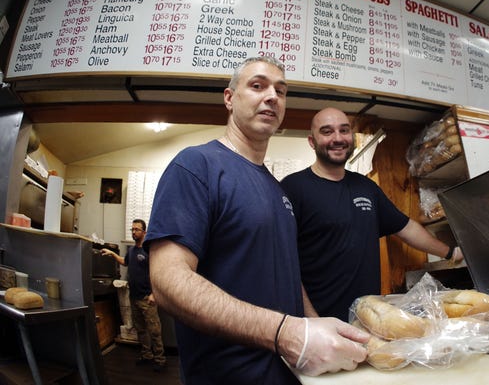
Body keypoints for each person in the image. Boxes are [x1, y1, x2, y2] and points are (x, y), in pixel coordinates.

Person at [143, 57, 368, 384]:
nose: (273, 97)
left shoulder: (277, 189)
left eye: (281, 90)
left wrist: (314, 325)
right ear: (229, 98)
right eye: (258, 85)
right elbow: (167, 281)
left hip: (290, 374)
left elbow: (287, 272)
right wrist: (284, 332)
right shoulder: (196, 165)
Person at [280, 107, 464, 321]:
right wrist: (313, 322)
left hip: (367, 319)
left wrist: (450, 253)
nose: (337, 138)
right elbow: (285, 262)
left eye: (344, 130)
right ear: (312, 141)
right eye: (327, 131)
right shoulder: (293, 188)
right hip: (321, 323)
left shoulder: (366, 187)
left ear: (352, 137)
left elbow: (406, 227)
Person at [101, 219, 166, 371]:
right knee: (141, 330)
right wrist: (111, 253)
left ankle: (160, 360)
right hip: (134, 297)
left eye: (137, 229)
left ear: (144, 232)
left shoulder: (149, 250)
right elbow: (125, 262)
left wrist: (154, 293)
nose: (133, 232)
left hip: (147, 298)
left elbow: (158, 272)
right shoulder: (131, 250)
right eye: (132, 229)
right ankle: (146, 356)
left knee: (154, 330)